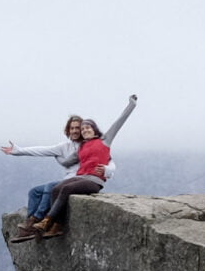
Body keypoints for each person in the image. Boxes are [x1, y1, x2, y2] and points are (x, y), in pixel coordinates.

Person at [13, 95, 135, 238]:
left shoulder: (105, 140)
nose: (84, 130)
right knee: (55, 189)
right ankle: (56, 226)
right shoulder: (82, 147)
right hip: (80, 177)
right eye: (83, 129)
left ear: (94, 129)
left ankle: (46, 221)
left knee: (66, 188)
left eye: (87, 127)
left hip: (94, 181)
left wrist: (131, 105)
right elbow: (66, 162)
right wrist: (54, 154)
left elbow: (119, 122)